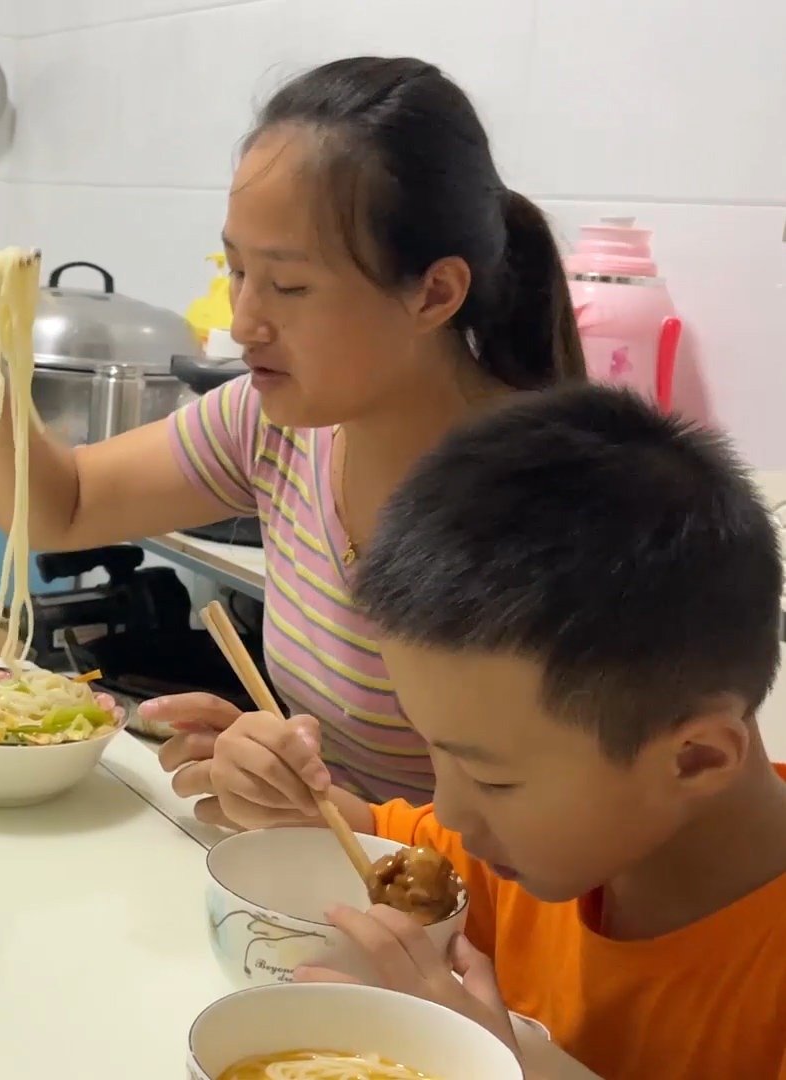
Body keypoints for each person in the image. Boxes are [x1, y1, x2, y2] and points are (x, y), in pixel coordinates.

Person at [0, 56, 585, 810]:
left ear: (435, 292)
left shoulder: (546, 512)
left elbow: (567, 843)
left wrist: (331, 816)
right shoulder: (276, 427)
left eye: (289, 285)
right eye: (235, 271)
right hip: (321, 889)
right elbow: (61, 509)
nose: (243, 322)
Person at [222, 385, 786, 1078]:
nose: (452, 809)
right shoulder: (515, 854)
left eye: (491, 776)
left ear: (695, 758)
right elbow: (360, 833)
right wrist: (280, 788)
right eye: (435, 750)